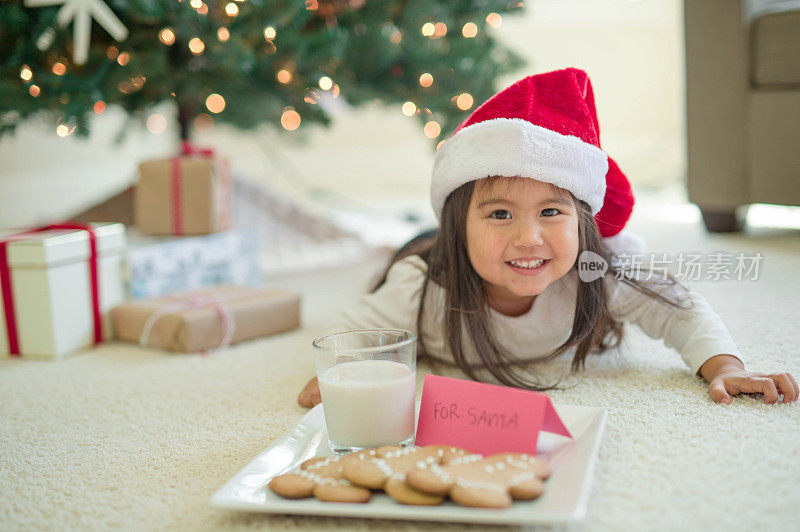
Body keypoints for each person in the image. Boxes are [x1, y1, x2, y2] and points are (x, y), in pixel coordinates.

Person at [298, 68, 798, 408]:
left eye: (551, 212)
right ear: (460, 223)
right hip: (434, 250)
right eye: (499, 213)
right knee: (413, 249)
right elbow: (348, 340)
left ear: (583, 223)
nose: (528, 237)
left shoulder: (595, 274)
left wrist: (725, 366)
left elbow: (679, 308)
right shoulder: (422, 290)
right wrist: (344, 379)